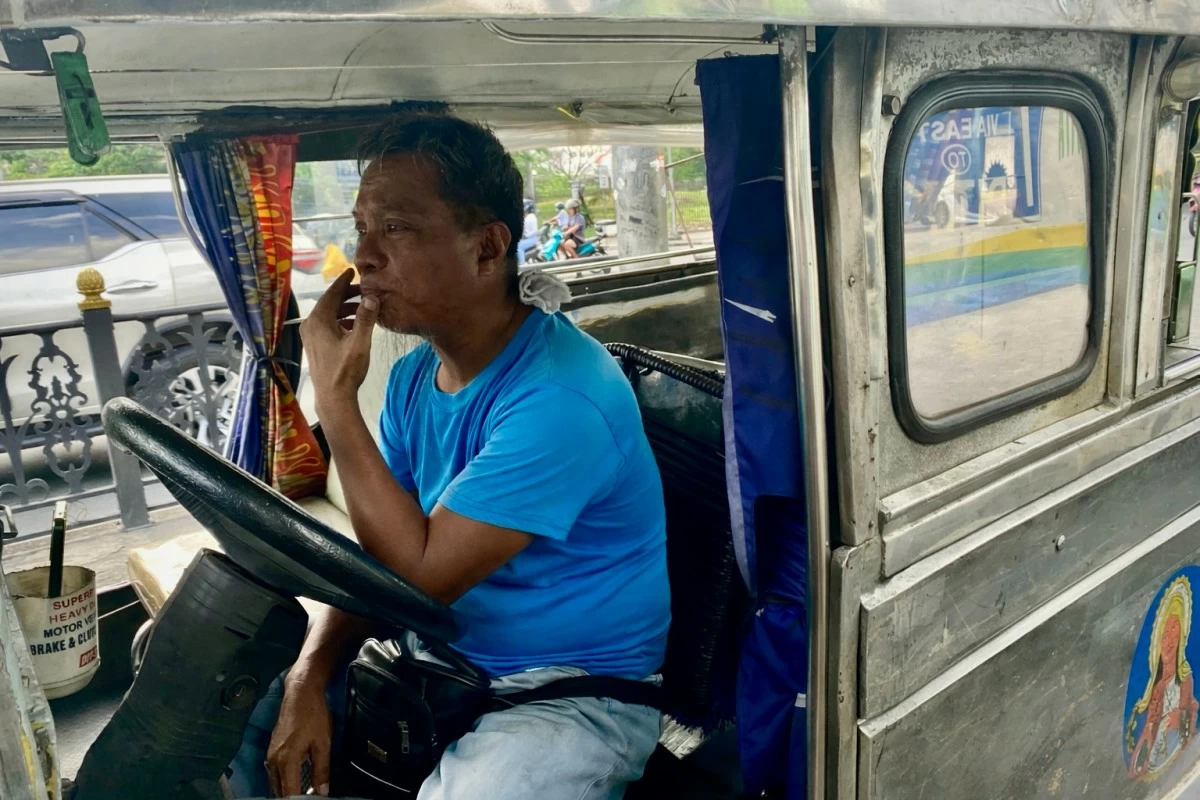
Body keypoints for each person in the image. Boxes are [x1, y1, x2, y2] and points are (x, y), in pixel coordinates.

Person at [230, 113, 670, 800]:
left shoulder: (561, 396)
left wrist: (334, 400)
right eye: (362, 228)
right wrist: (308, 674)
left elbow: (424, 578)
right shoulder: (414, 378)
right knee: (248, 711)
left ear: (487, 247)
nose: (364, 257)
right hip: (438, 659)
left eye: (396, 229)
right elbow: (382, 563)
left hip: (572, 693)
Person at [516, 199, 540, 265]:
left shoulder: (531, 217)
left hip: (532, 238)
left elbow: (535, 231)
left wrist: (526, 235)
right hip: (527, 238)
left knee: (518, 247)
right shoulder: (526, 217)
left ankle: (522, 264)